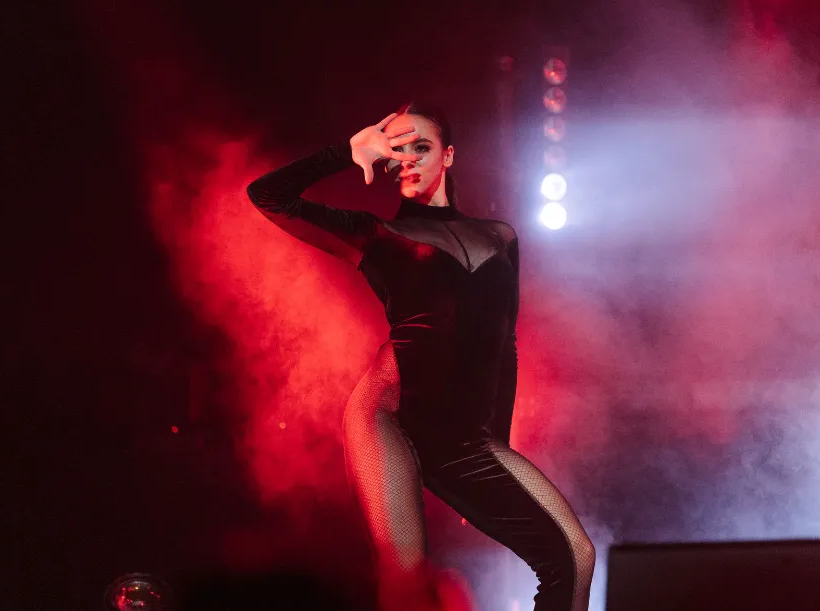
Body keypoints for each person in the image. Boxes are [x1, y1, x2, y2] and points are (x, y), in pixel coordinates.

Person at [247, 103, 595, 611]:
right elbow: (267, 195)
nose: (406, 158)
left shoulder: (501, 237)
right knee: (407, 582)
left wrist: (497, 450)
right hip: (387, 417)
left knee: (574, 556)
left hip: (465, 435)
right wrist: (344, 152)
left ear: (448, 155)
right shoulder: (375, 234)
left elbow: (505, 347)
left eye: (420, 146)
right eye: (396, 151)